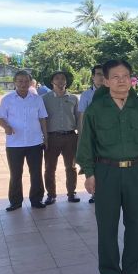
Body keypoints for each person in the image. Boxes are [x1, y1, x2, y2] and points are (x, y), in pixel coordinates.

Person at [76, 60, 138, 274]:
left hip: (136, 170)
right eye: (115, 76)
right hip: (106, 172)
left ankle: (132, 271)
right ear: (105, 80)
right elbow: (86, 144)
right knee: (107, 225)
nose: (121, 80)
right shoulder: (96, 108)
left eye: (126, 76)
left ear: (132, 79)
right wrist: (89, 173)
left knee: (135, 223)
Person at [0, 70, 48, 212]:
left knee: (36, 173)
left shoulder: (37, 99)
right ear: (15, 82)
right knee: (15, 174)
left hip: (35, 143)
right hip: (14, 144)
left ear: (30, 82)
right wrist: (6, 126)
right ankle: (15, 202)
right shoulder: (7, 99)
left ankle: (37, 199)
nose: (23, 84)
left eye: (26, 81)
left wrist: (46, 138)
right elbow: (0, 117)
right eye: (20, 81)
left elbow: (42, 119)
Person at [41, 71, 81, 205]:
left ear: (66, 81)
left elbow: (79, 118)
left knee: (71, 167)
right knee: (49, 167)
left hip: (70, 137)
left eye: (63, 78)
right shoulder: (45, 98)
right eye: (57, 78)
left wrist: (80, 135)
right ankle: (51, 195)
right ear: (52, 82)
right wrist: (44, 137)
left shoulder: (74, 98)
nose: (60, 81)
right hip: (52, 137)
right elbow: (42, 119)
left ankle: (71, 193)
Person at [78, 65, 105, 203]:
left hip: (107, 137)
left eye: (103, 74)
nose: (101, 77)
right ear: (93, 77)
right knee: (92, 164)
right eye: (98, 74)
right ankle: (94, 193)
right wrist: (83, 136)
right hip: (92, 136)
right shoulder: (86, 95)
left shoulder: (111, 92)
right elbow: (82, 116)